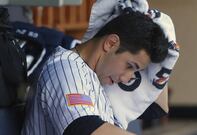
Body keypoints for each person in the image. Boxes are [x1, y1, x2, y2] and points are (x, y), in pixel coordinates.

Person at [21, 10, 169, 135]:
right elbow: (82, 128)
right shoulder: (65, 68)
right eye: (130, 66)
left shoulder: (98, 77)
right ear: (110, 43)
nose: (127, 78)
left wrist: (165, 64)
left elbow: (157, 108)